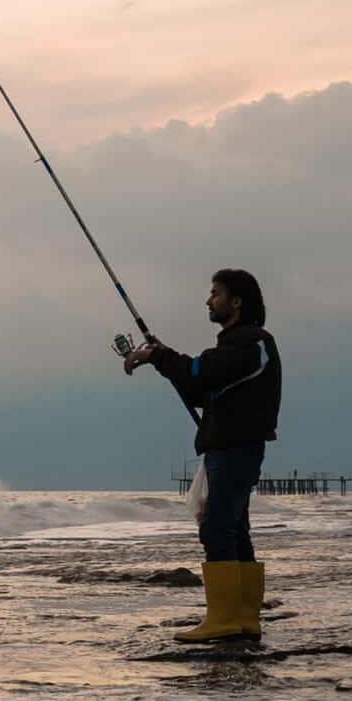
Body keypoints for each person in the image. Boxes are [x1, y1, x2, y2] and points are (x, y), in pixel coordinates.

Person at [123, 268, 282, 641]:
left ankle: (225, 620)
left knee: (216, 528)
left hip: (235, 447)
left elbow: (201, 373)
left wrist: (157, 355)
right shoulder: (237, 344)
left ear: (236, 301)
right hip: (230, 447)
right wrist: (163, 361)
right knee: (234, 529)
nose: (208, 300)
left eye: (215, 293)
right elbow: (200, 387)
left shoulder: (250, 342)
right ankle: (243, 619)